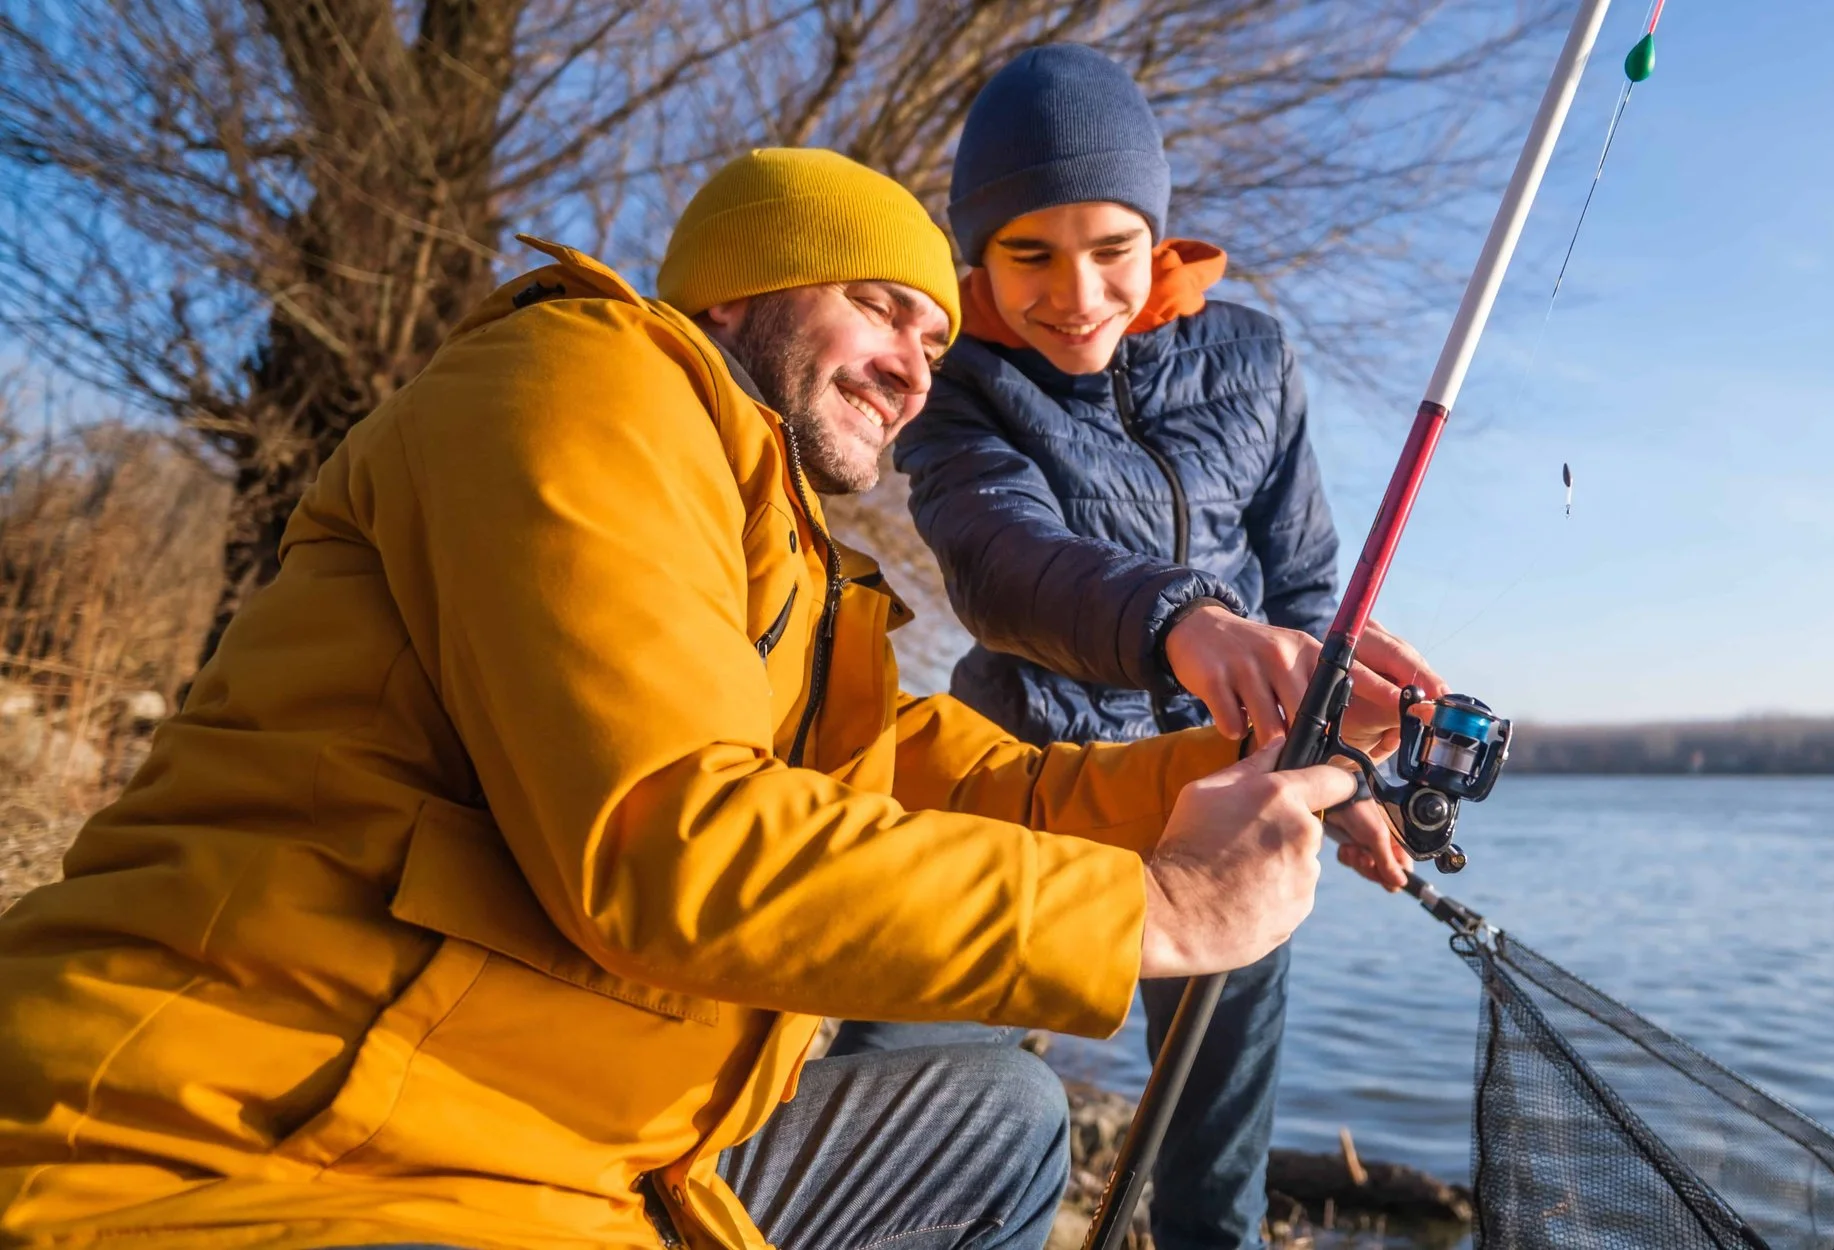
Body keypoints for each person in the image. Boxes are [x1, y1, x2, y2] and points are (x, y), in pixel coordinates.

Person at [0, 148, 1407, 1250]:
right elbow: (665, 833)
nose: (917, 364)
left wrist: (1251, 768)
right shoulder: (584, 380)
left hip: (575, 1157)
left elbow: (984, 783)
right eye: (878, 305)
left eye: (933, 333)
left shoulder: (791, 568)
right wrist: (1157, 913)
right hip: (255, 1142)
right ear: (739, 287)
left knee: (996, 1114)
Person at [889, 46, 1443, 1250]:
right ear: (975, 255)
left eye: (1110, 249)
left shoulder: (1253, 356)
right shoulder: (950, 379)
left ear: (1158, 235)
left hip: (1231, 783)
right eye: (1029, 253)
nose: (1076, 294)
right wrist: (1185, 620)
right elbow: (999, 560)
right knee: (919, 1067)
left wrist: (1343, 771)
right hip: (1020, 778)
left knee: (1214, 1139)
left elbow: (1302, 585)